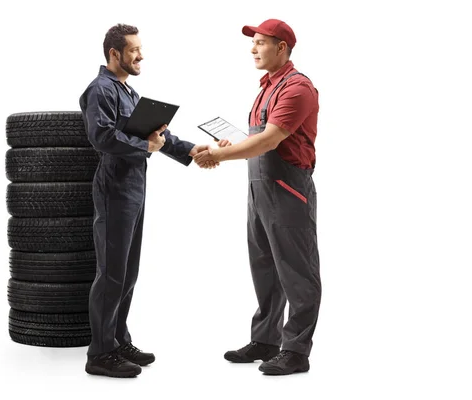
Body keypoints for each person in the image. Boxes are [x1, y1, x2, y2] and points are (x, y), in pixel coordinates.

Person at [79, 23, 215, 378]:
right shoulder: (100, 91)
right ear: (114, 54)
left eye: (140, 49)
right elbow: (102, 137)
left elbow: (158, 137)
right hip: (114, 187)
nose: (141, 56)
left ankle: (118, 339)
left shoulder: (129, 92)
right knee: (111, 272)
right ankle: (100, 353)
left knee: (128, 272)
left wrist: (191, 150)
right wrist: (146, 146)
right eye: (134, 50)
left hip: (135, 186)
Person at [194, 19, 321, 376]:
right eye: (254, 43)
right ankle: (265, 340)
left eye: (261, 43)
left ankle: (295, 350)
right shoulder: (267, 87)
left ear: (282, 47)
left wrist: (218, 157)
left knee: (297, 271)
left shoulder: (297, 88)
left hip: (287, 188)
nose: (253, 49)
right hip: (259, 188)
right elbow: (257, 139)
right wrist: (232, 146)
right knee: (264, 266)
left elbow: (269, 141)